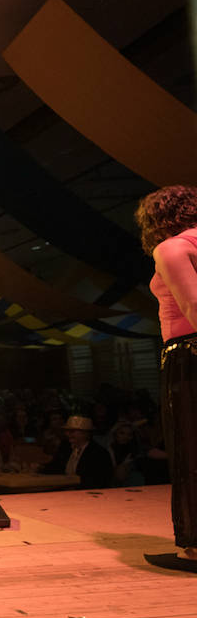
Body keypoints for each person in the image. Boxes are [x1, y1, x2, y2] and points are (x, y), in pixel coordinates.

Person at [136, 186, 197, 572]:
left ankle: (194, 549)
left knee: (190, 450)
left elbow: (194, 305)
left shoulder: (172, 247)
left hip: (189, 355)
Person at [41, 416, 113, 489]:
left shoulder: (99, 453)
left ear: (85, 433)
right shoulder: (66, 447)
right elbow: (56, 466)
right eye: (67, 431)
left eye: (72, 431)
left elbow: (97, 481)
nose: (68, 434)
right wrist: (40, 468)